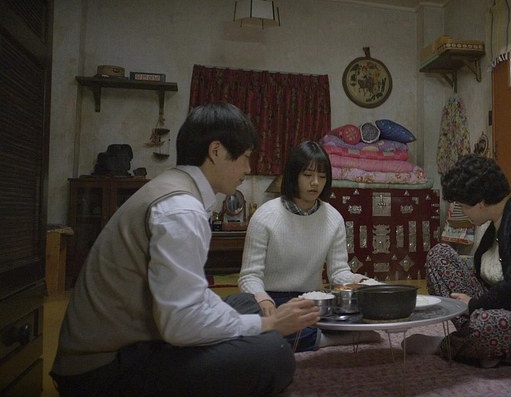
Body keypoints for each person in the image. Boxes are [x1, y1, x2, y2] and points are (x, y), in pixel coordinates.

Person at [50, 102, 320, 396]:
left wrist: (262, 322)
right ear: (216, 151)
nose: (248, 168)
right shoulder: (182, 209)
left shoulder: (175, 186)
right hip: (103, 370)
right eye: (245, 157)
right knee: (274, 354)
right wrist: (267, 324)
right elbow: (180, 325)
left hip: (142, 339)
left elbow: (190, 296)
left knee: (247, 303)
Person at [404, 154, 511, 367]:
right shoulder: (494, 223)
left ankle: (450, 344)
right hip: (496, 307)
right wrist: (474, 303)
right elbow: (486, 278)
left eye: (463, 206)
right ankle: (477, 344)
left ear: (481, 202)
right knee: (439, 255)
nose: (462, 212)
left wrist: (475, 305)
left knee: (490, 325)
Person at [236, 140, 379, 351]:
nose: (315, 183)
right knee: (248, 325)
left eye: (322, 177)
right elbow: (249, 276)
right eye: (307, 175)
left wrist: (362, 282)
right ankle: (329, 339)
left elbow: (338, 272)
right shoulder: (265, 216)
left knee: (361, 311)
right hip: (272, 299)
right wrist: (263, 300)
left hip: (314, 301)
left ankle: (318, 335)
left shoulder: (333, 218)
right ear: (293, 175)